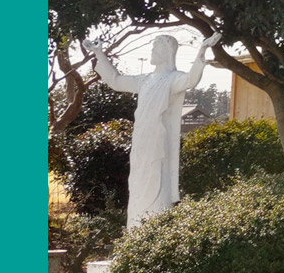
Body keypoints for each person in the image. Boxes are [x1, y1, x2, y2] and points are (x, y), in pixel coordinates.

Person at [83, 31, 222, 227]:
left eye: (156, 47)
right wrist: (99, 53)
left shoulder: (173, 78)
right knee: (138, 181)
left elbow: (190, 80)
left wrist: (202, 49)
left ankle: (153, 228)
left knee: (157, 176)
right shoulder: (144, 80)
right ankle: (136, 230)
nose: (152, 51)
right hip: (140, 138)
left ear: (167, 52)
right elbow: (115, 80)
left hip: (158, 138)